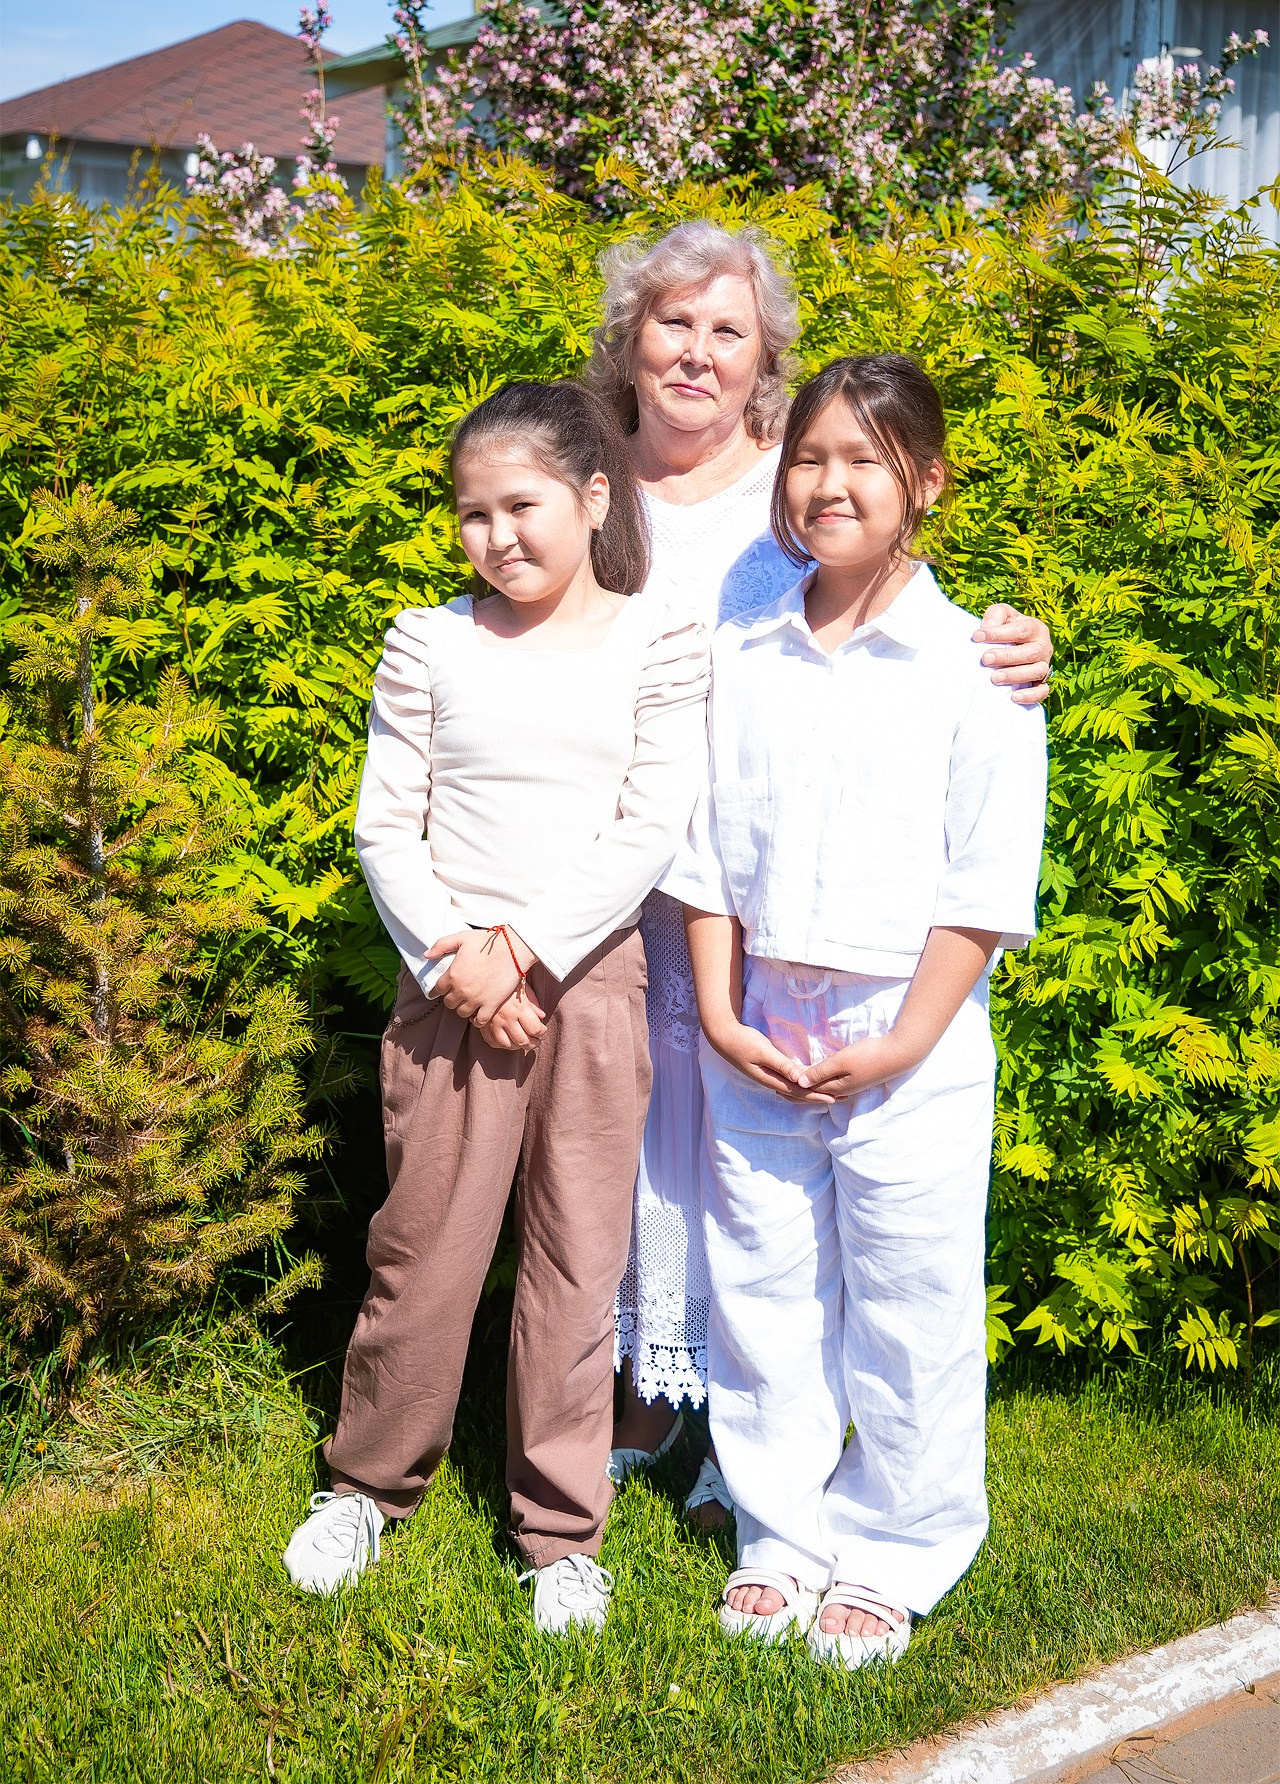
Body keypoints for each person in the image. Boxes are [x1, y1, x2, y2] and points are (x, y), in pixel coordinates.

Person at [591, 223, 1054, 1522]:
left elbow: (898, 607)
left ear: (763, 363)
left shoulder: (793, 498)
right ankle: (663, 1423)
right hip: (635, 886)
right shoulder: (581, 471)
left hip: (782, 919)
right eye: (672, 323)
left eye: (725, 330)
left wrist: (1010, 641)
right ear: (630, 336)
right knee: (677, 1193)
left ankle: (800, 1474)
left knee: (774, 1201)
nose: (694, 350)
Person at [282, 381, 710, 1633]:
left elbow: (648, 821)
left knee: (579, 1263)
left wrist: (522, 951)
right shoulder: (428, 639)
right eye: (471, 515)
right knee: (424, 1251)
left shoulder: (657, 637)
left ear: (590, 498)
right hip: (449, 991)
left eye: (520, 505)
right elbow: (385, 822)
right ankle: (367, 1484)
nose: (497, 537)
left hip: (586, 986)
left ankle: (558, 1531)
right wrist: (458, 961)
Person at [665, 353, 1047, 1666]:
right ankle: (781, 1530)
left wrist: (903, 1040)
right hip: (758, 1020)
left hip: (909, 1034)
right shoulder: (747, 643)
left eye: (864, 462)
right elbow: (705, 849)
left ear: (925, 484)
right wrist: (719, 1015)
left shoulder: (975, 663)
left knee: (908, 1298)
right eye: (810, 458)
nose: (828, 485)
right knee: (763, 1290)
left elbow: (987, 883)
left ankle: (896, 1546)